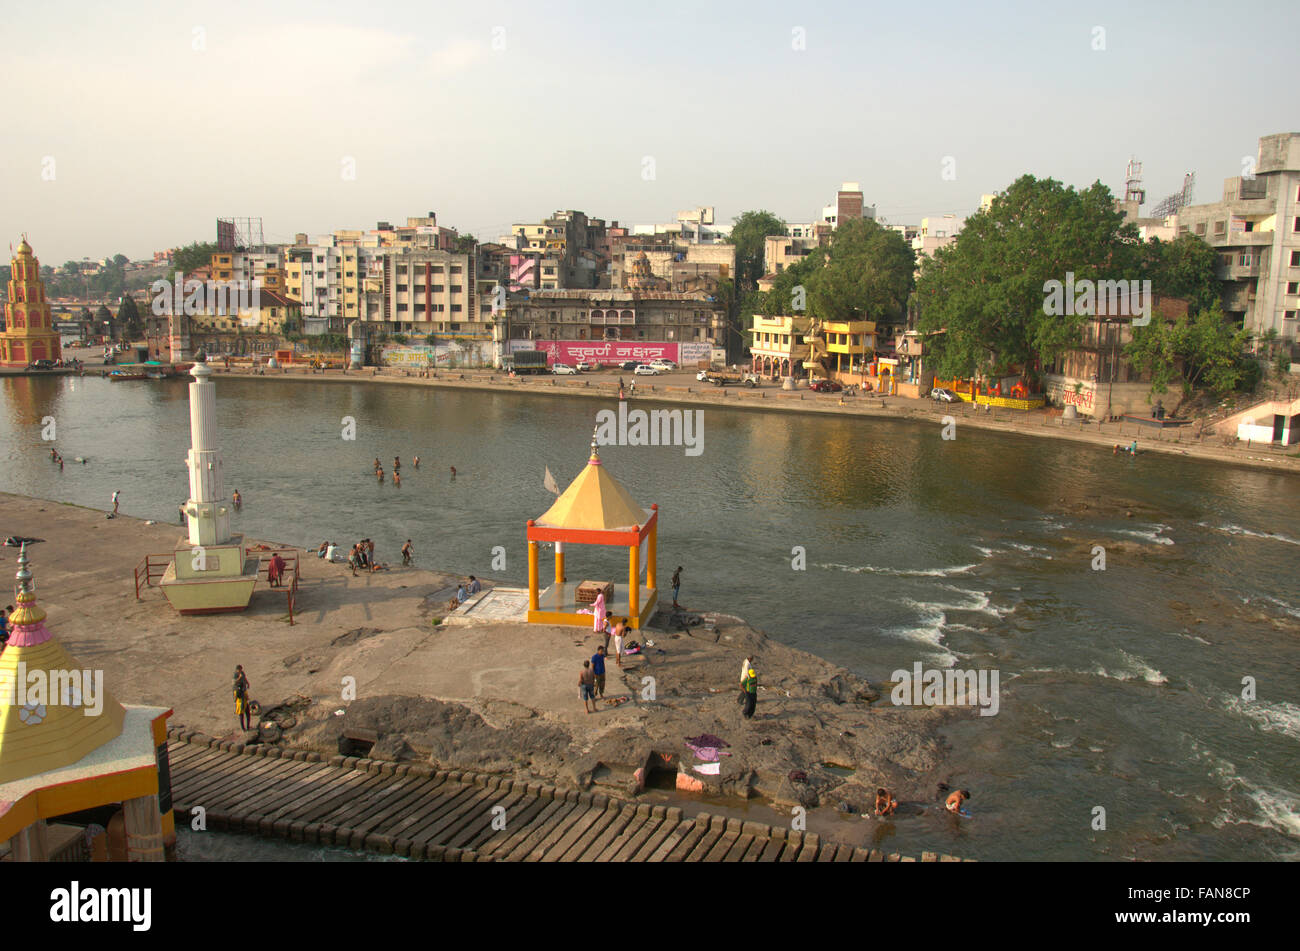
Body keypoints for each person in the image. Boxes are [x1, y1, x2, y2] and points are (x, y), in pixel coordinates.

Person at [234, 666, 252, 731]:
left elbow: (244, 678)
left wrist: (247, 683)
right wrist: (240, 677)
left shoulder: (242, 673)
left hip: (240, 702)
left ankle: (246, 727)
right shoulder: (236, 675)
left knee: (243, 715)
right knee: (245, 714)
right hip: (242, 702)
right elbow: (234, 682)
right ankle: (245, 728)